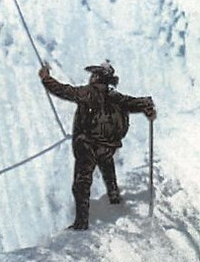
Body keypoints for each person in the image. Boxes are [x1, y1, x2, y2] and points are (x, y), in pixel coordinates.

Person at [39, 62, 156, 230]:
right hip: (107, 146)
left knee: (82, 183)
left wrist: (46, 79)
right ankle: (114, 199)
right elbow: (136, 102)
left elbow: (66, 91)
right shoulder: (115, 95)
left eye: (93, 75)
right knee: (108, 168)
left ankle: (81, 222)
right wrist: (149, 108)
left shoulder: (89, 92)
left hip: (88, 145)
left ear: (96, 77)